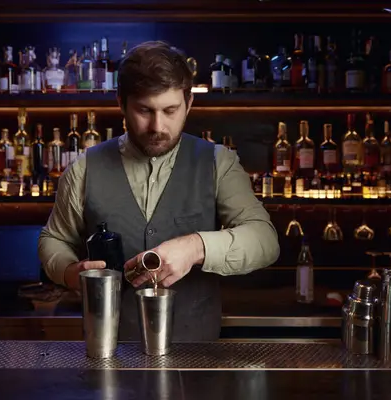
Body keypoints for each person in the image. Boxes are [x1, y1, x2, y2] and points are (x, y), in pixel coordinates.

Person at [38, 41, 280, 342]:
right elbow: (54, 240)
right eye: (144, 110)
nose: (157, 125)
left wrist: (196, 247)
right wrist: (70, 272)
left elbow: (265, 240)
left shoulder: (219, 162)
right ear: (121, 103)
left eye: (170, 110)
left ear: (189, 104)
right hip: (109, 352)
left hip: (196, 359)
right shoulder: (84, 168)